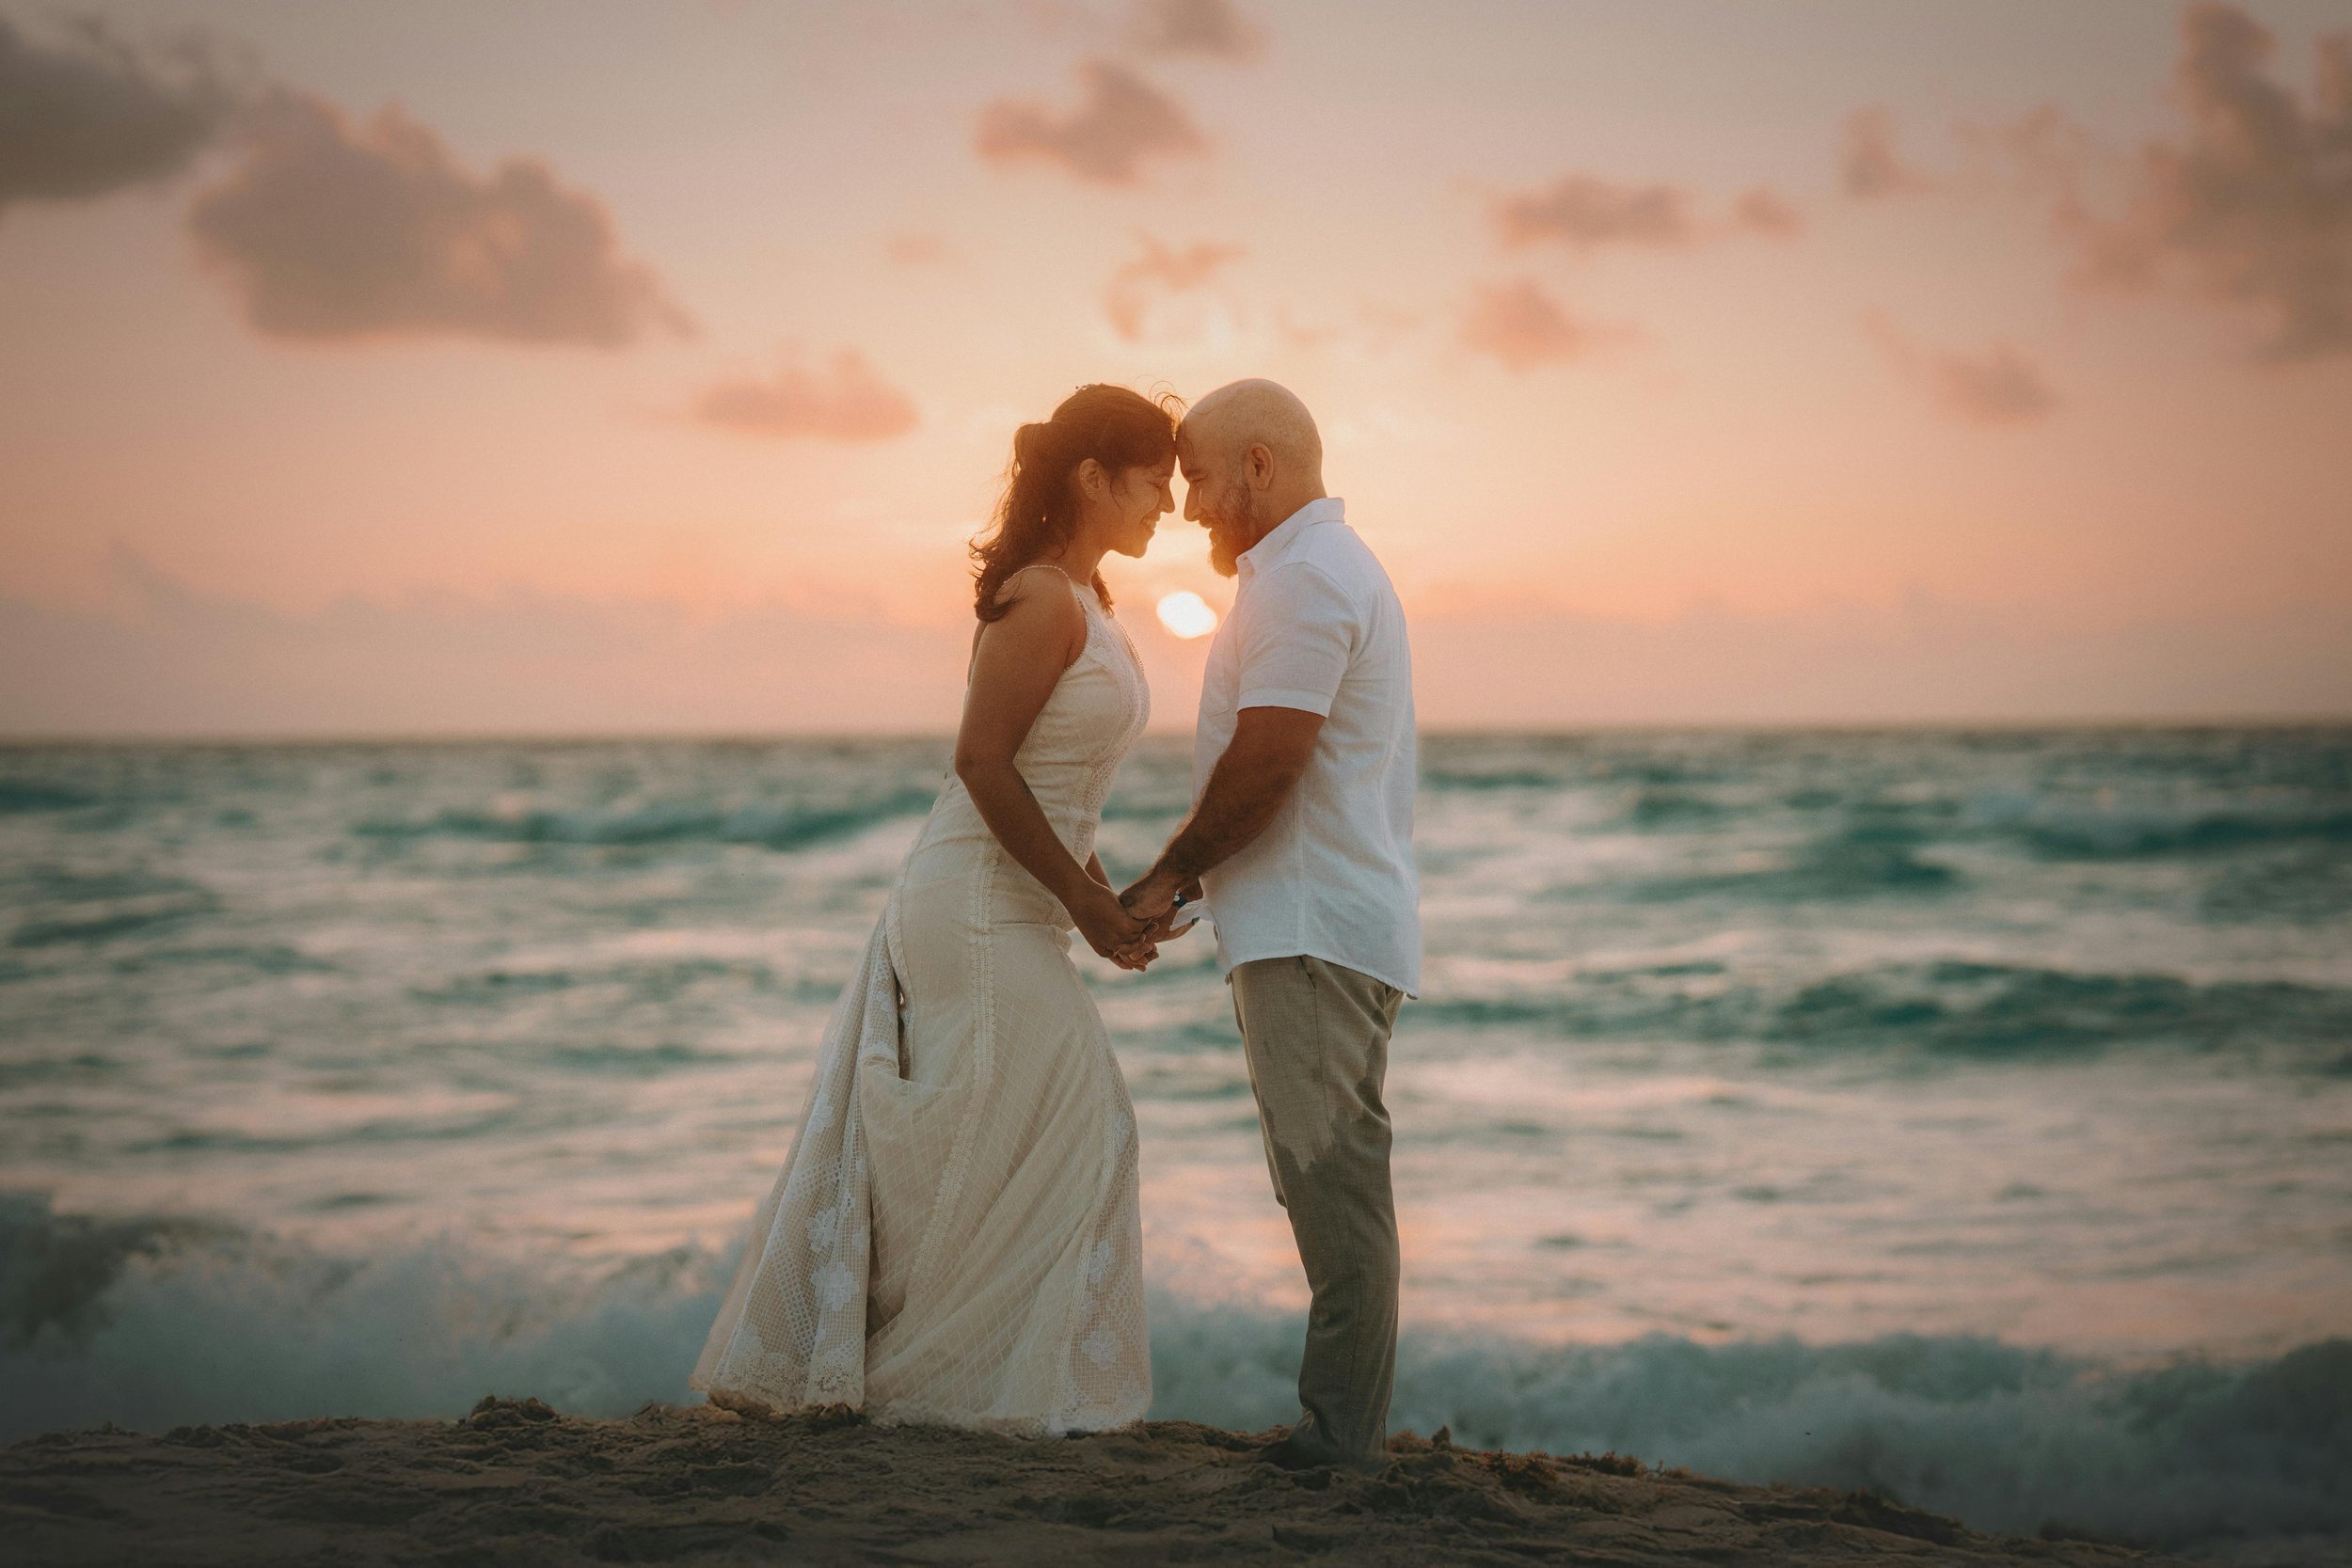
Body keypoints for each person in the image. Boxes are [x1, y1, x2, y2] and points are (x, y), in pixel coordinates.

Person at [693, 384, 1178, 1434]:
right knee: (1080, 1117)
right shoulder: (1043, 598)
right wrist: (1081, 905)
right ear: (1094, 478)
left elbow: (1059, 783)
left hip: (1021, 902)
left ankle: (957, 1379)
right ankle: (936, 1386)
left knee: (1031, 1132)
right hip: (967, 903)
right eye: (1155, 482)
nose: (1171, 506)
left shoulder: (1090, 602)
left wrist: (1107, 901)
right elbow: (980, 763)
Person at [1122, 379, 1420, 1472]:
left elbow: (1270, 761)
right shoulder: (1309, 573)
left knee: (1331, 1180)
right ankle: (1345, 1429)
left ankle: (1340, 1442)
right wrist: (1197, 888)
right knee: (1328, 1178)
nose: (1189, 503)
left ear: (1257, 464)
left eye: (1197, 474)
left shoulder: (1305, 579)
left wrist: (1165, 876)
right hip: (1314, 920)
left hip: (1312, 931)